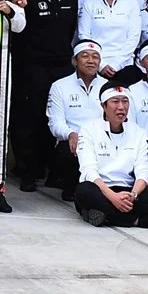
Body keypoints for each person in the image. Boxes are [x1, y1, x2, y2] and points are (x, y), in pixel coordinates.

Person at [13, 0, 76, 191]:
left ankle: (54, 171)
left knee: (57, 119)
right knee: (31, 119)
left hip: (61, 67)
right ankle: (28, 171)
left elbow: (70, 32)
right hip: (34, 66)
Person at [74, 82, 148, 229]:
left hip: (129, 192)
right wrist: (112, 197)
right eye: (115, 101)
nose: (121, 107)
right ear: (103, 106)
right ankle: (138, 221)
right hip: (101, 189)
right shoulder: (89, 130)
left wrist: (133, 195)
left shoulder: (139, 132)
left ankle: (106, 216)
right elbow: (88, 169)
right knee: (83, 191)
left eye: (125, 101)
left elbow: (144, 169)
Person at [42, 41, 105, 196]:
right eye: (85, 56)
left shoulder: (108, 86)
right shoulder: (60, 86)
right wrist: (70, 134)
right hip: (74, 144)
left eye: (95, 56)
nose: (91, 60)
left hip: (103, 143)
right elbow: (55, 123)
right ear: (74, 61)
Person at [81, 0, 141, 84]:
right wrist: (100, 65)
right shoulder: (89, 3)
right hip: (95, 65)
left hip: (125, 64)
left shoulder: (131, 3)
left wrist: (117, 63)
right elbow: (84, 35)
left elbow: (134, 36)